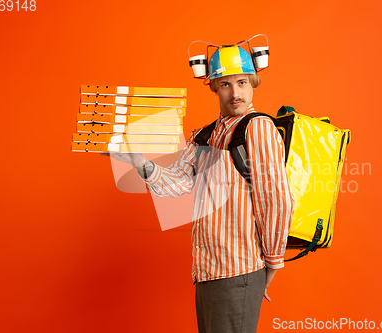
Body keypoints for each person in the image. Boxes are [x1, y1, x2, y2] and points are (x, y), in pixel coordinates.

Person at [104, 45, 294, 333]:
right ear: (214, 88)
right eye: (226, 84)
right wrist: (137, 160)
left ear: (253, 83)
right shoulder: (205, 135)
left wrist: (273, 263)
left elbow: (276, 198)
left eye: (242, 82)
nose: (235, 94)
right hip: (208, 271)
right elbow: (175, 184)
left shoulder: (258, 128)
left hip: (238, 269)